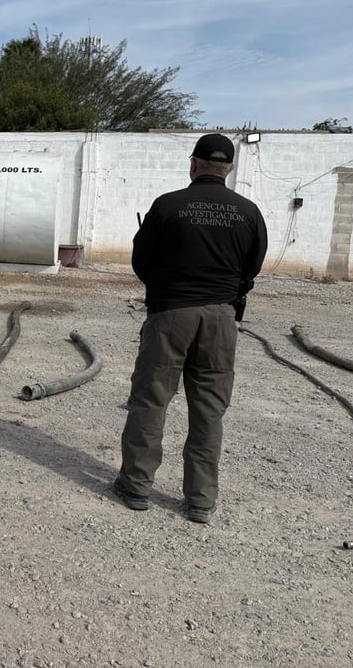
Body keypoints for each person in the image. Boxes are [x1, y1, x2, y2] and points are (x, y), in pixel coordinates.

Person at [114, 133, 267, 524]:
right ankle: (200, 500)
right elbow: (251, 269)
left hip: (170, 314)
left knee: (151, 401)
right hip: (220, 317)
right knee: (209, 411)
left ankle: (136, 487)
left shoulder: (168, 206)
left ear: (193, 163)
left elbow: (141, 260)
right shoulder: (248, 212)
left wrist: (165, 291)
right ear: (229, 168)